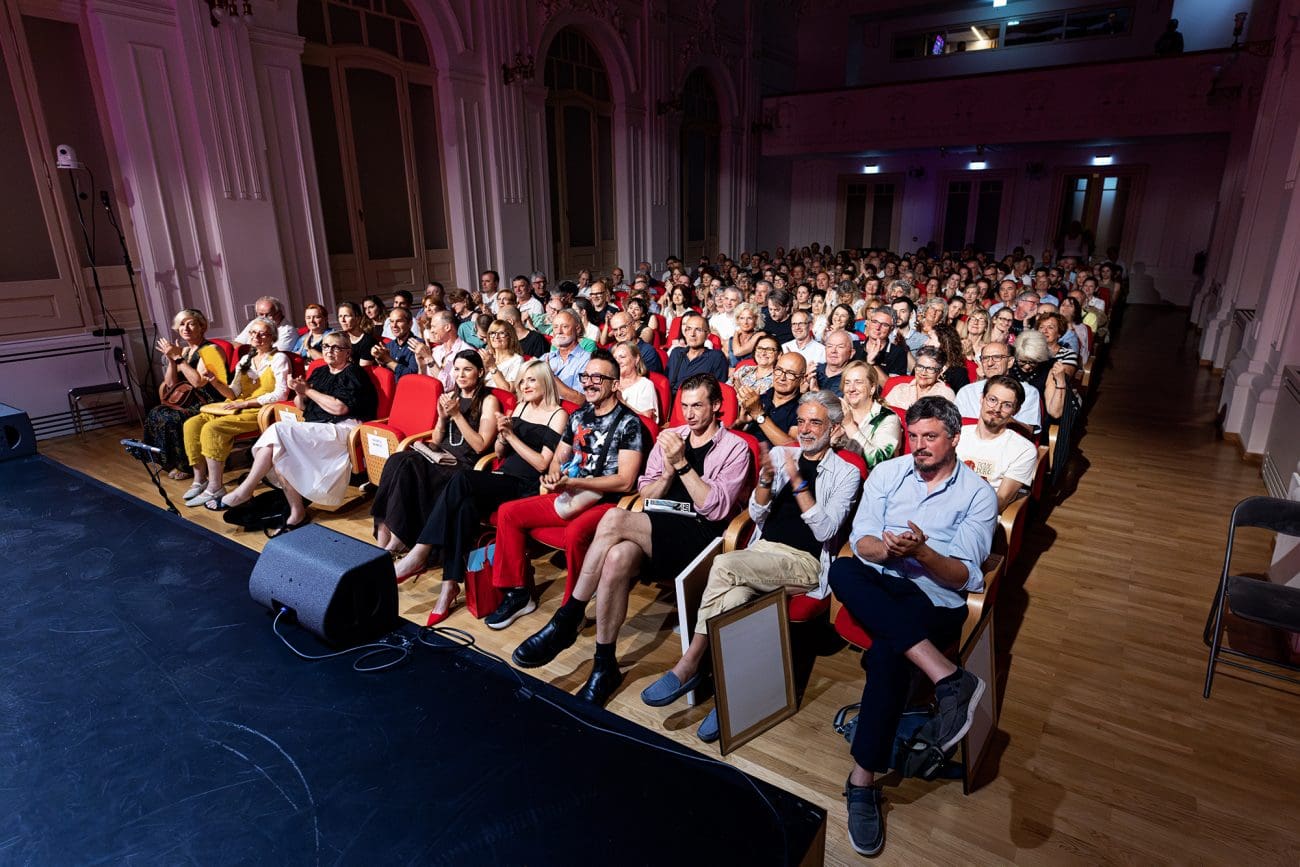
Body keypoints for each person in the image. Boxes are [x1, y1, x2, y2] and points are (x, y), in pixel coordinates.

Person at [510, 374, 754, 706]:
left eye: (698, 406)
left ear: (716, 406)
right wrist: (667, 473)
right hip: (657, 523)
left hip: (699, 535)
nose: (689, 414)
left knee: (613, 517)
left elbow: (715, 509)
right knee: (616, 558)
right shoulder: (672, 437)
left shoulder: (736, 448)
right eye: (684, 406)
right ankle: (604, 664)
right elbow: (646, 494)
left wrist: (682, 465)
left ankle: (568, 617)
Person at [640, 391, 860, 739]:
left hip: (803, 563)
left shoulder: (847, 472)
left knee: (724, 565)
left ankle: (690, 663)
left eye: (815, 422)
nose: (805, 429)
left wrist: (798, 482)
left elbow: (826, 530)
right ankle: (732, 696)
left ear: (833, 429)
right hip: (762, 552)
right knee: (734, 597)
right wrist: (767, 482)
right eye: (801, 421)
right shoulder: (783, 455)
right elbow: (756, 515)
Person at [831, 396, 997, 857]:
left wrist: (921, 552)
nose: (919, 445)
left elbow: (963, 576)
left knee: (889, 653)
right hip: (883, 579)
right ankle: (948, 677)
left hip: (932, 595)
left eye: (931, 437)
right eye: (914, 435)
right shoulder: (888, 474)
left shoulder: (978, 494)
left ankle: (862, 782)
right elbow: (861, 541)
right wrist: (888, 550)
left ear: (954, 439)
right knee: (842, 569)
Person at [389, 363, 566, 624]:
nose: (525, 386)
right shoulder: (522, 406)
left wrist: (511, 436)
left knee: (462, 478)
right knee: (463, 506)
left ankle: (421, 551)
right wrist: (503, 438)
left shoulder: (558, 414)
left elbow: (542, 464)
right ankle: (449, 586)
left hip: (526, 486)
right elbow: (501, 452)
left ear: (545, 382)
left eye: (531, 380)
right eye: (522, 381)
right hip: (502, 477)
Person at [485, 351, 645, 629]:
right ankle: (519, 594)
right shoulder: (579, 415)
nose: (589, 383)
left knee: (575, 533)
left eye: (598, 378)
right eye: (586, 376)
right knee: (508, 513)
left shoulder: (629, 423)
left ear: (615, 384)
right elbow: (559, 458)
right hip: (571, 493)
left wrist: (574, 483)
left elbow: (625, 482)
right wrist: (555, 473)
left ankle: (572, 609)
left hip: (608, 503)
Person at [205, 333, 378, 531]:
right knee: (280, 451)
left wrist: (308, 391)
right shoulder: (320, 371)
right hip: (317, 427)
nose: (329, 351)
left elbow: (340, 408)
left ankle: (245, 490)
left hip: (342, 430)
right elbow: (302, 406)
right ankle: (297, 513)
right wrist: (299, 392)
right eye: (326, 346)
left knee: (277, 430)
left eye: (336, 347)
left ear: (348, 353)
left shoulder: (354, 372)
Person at [370, 350, 501, 553]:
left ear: (480, 372)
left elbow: (480, 445)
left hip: (464, 465)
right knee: (396, 460)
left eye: (467, 369)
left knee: (409, 466)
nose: (460, 375)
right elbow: (437, 440)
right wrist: (441, 418)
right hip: (440, 456)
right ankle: (383, 534)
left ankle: (399, 539)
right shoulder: (451, 396)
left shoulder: (488, 400)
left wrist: (457, 415)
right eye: (457, 369)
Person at [181, 318, 291, 507]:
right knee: (192, 424)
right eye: (253, 333)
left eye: (262, 333)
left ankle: (215, 487)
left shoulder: (279, 359)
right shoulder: (245, 360)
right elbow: (233, 392)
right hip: (238, 405)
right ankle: (200, 479)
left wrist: (247, 404)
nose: (256, 337)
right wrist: (215, 382)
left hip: (260, 410)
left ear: (272, 337)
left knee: (212, 428)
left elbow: (281, 393)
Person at [143, 309, 229, 479]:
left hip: (209, 399)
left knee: (172, 418)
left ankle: (187, 466)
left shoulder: (211, 349)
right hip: (189, 400)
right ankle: (170, 462)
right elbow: (170, 384)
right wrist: (171, 360)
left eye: (191, 324)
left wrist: (178, 359)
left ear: (202, 327)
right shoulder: (184, 351)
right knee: (156, 412)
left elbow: (198, 382)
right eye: (182, 324)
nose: (186, 328)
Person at [957, 376, 1038, 512]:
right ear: (982, 399)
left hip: (979, 515)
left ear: (1016, 410)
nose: (996, 409)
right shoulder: (956, 435)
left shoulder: (1024, 450)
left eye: (1007, 405)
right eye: (992, 400)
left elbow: (1000, 501)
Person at [955, 340, 1043, 433]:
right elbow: (953, 426)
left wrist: (1006, 420)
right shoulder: (967, 392)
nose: (990, 363)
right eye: (985, 358)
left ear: (1010, 362)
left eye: (997, 357)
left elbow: (1029, 432)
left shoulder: (1028, 392)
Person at [839, 361, 902, 468]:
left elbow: (879, 461)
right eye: (847, 383)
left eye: (858, 382)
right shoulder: (839, 413)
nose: (851, 389)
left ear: (872, 388)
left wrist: (849, 425)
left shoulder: (888, 418)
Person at [735, 351, 803, 447]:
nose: (782, 377)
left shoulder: (803, 408)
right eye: (779, 370)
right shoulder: (759, 399)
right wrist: (741, 422)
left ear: (801, 380)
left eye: (790, 373)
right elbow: (730, 436)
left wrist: (759, 415)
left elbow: (792, 447)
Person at [667, 313, 728, 396]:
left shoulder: (716, 357)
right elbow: (666, 385)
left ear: (707, 334)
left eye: (698, 330)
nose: (692, 334)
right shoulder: (676, 353)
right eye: (688, 329)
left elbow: (719, 392)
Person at [544, 310, 592, 404]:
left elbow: (581, 400)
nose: (559, 331)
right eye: (555, 327)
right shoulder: (547, 358)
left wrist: (550, 377)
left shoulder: (588, 360)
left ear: (577, 329)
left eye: (565, 327)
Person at [886, 346, 956, 411]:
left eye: (930, 369)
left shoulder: (945, 395)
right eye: (920, 366)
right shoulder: (899, 390)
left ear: (939, 372)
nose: (923, 373)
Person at [420, 309, 471, 391]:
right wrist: (421, 364)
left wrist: (429, 359)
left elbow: (448, 386)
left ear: (447, 327)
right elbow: (425, 382)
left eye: (434, 326)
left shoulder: (466, 352)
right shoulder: (436, 351)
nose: (431, 331)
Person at [370, 307, 424, 380]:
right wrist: (379, 359)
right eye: (392, 321)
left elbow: (411, 376)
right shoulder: (389, 345)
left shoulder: (417, 345)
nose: (394, 325)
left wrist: (388, 360)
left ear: (410, 324)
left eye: (399, 321)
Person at [612, 340, 659, 421]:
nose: (617, 361)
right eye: (615, 358)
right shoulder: (610, 383)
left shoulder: (645, 385)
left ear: (636, 359)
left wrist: (622, 402)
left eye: (622, 357)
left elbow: (647, 420)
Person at [858, 307, 911, 378]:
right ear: (868, 323)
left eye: (884, 325)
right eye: (875, 322)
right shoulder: (854, 346)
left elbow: (893, 384)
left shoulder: (898, 353)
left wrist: (872, 363)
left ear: (891, 329)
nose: (877, 327)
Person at [481, 319, 525, 389]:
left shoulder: (517, 360)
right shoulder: (486, 358)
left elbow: (508, 390)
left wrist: (492, 367)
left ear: (510, 337)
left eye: (501, 333)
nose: (496, 337)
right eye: (492, 333)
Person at [814, 329, 857, 396]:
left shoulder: (853, 379)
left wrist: (815, 392)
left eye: (840, 347)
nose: (833, 351)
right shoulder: (814, 371)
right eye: (830, 346)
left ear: (851, 353)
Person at [336, 301, 378, 367]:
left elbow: (363, 370)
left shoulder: (368, 341)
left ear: (358, 319)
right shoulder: (340, 339)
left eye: (346, 316)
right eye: (340, 316)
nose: (342, 320)